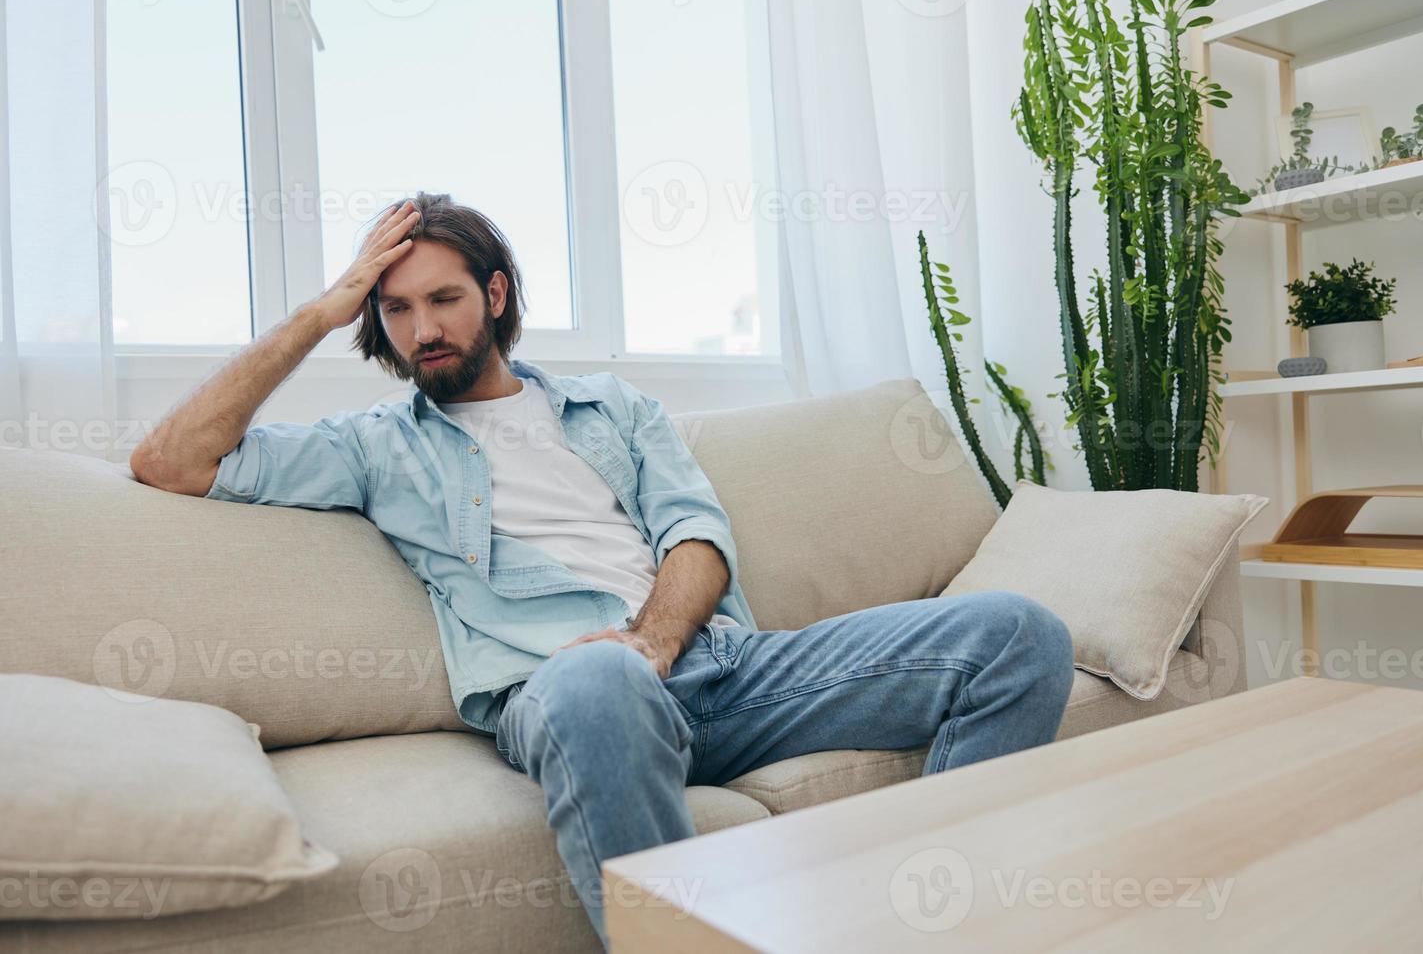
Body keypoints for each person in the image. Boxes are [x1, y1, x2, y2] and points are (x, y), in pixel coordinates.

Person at [129, 192, 1074, 949]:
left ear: (495, 295)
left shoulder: (610, 407)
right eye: (395, 308)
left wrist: (655, 639)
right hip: (573, 691)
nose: (422, 329)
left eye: (443, 298)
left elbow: (696, 537)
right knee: (597, 674)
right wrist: (321, 310)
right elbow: (170, 460)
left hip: (725, 671)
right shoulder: (374, 449)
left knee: (1019, 635)